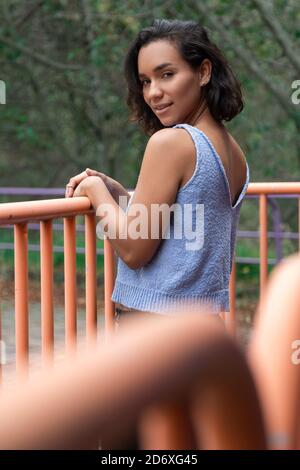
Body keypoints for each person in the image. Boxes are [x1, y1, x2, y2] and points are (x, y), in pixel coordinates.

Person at [65, 19, 249, 323]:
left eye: (167, 75)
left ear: (203, 72)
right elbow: (182, 224)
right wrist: (120, 197)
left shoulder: (171, 143)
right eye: (145, 81)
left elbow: (136, 251)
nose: (153, 93)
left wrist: (96, 193)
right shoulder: (232, 149)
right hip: (201, 328)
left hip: (153, 330)